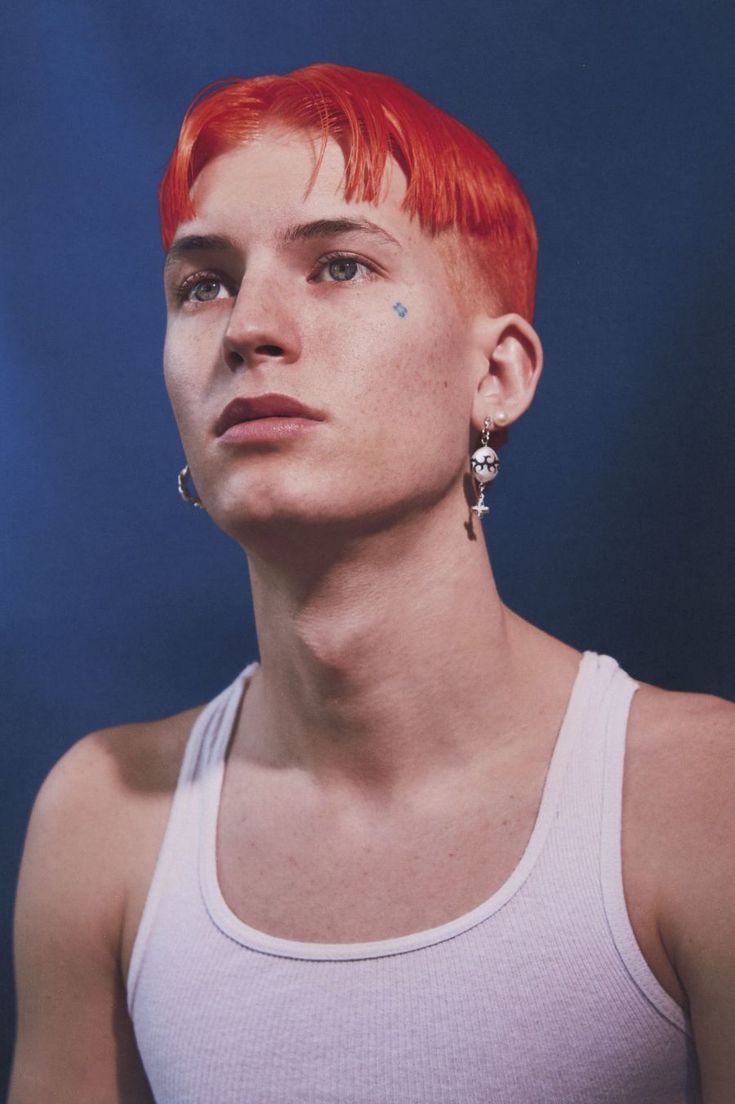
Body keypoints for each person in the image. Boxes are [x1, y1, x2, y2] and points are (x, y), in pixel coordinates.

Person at [9, 63, 734, 1104]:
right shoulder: (104, 823)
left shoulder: (704, 799)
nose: (248, 327)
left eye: (339, 265)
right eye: (201, 282)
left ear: (499, 376)